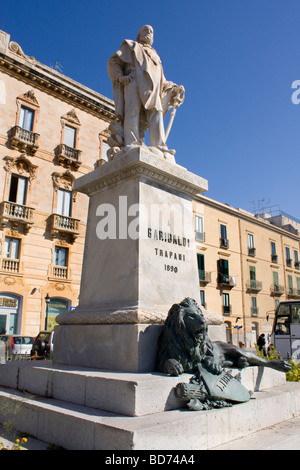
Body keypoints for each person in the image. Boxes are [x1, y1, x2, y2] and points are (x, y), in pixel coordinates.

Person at [107, 25, 184, 158]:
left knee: (156, 112)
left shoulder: (156, 56)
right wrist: (120, 76)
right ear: (139, 35)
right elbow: (113, 62)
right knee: (132, 111)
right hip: (133, 80)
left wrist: (174, 88)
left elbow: (160, 78)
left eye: (151, 31)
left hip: (153, 87)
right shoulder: (130, 46)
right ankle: (132, 142)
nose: (149, 33)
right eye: (145, 30)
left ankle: (159, 145)